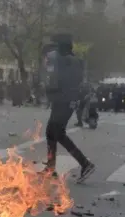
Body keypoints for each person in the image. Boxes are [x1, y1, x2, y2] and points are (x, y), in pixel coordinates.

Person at [42, 34, 95, 183]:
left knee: (58, 133)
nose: (56, 49)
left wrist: (50, 90)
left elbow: (56, 80)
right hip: (64, 101)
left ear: (63, 47)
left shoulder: (65, 61)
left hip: (64, 102)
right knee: (51, 132)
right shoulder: (73, 60)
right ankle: (50, 168)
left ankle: (85, 164)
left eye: (58, 46)